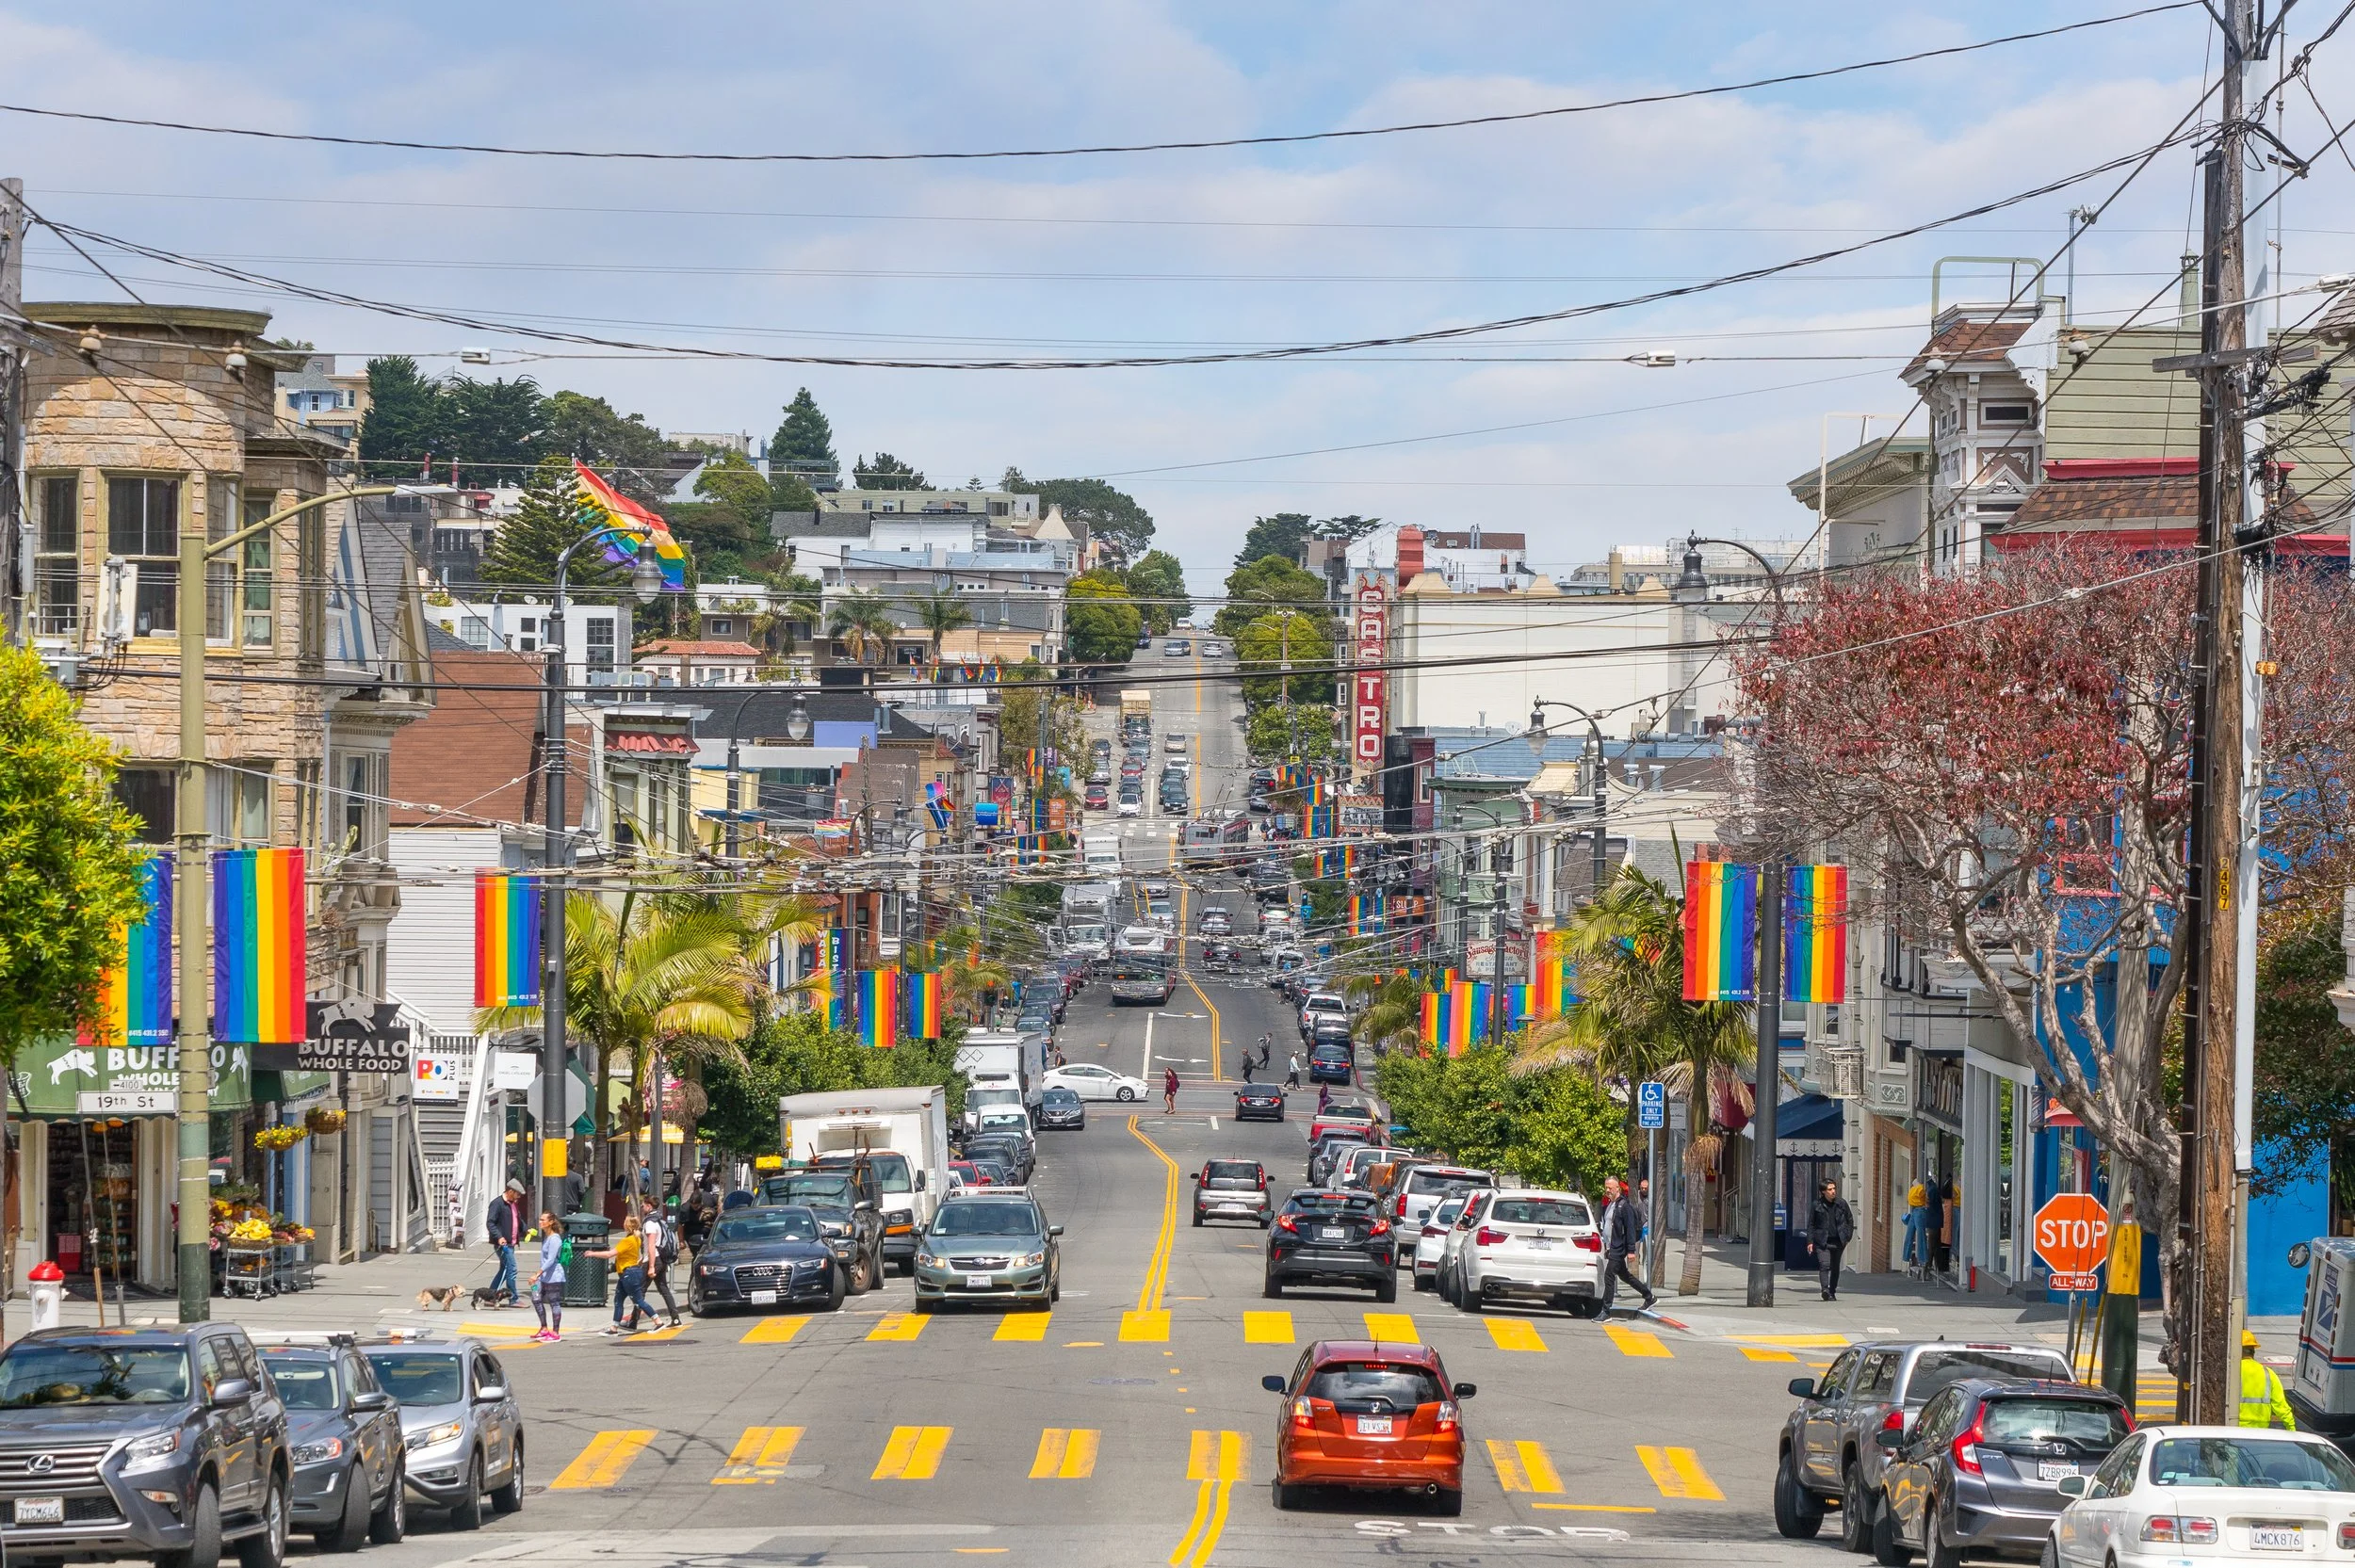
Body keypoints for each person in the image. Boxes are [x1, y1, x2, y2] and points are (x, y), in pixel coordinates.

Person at [588, 1214, 657, 1334]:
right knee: (618, 1300)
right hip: (627, 1273)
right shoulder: (636, 1238)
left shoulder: (627, 1240)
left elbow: (610, 1254)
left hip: (629, 1274)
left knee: (639, 1301)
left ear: (628, 1225)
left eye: (625, 1222)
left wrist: (592, 1254)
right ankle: (614, 1328)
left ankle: (658, 1321)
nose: (623, 1223)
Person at [1599, 1176, 1656, 1316]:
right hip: (1613, 1247)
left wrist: (1631, 1250)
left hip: (1620, 1248)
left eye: (1610, 1188)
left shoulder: (1624, 1206)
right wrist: (1607, 1247)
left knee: (1609, 1276)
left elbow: (1630, 1228)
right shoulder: (1610, 1205)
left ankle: (1606, 1311)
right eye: (1606, 1187)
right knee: (1625, 1276)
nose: (1607, 1190)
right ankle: (1649, 1297)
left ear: (1617, 1188)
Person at [1806, 1177, 1857, 1301]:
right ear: (1823, 1191)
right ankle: (1825, 1289)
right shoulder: (1817, 1205)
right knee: (1824, 1265)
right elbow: (1811, 1224)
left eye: (1834, 1188)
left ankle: (1832, 1291)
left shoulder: (1841, 1204)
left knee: (1835, 1267)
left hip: (1838, 1240)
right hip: (1822, 1241)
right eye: (1830, 1189)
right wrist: (1810, 1242)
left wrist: (1847, 1237)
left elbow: (1850, 1220)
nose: (1833, 1191)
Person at [2239, 1329, 2297, 1428]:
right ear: (2253, 1351)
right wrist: (2291, 1428)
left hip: (2234, 1428)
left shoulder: (2231, 1372)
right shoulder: (2268, 1373)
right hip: (2261, 1431)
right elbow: (2281, 1406)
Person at [640, 1198, 682, 1329]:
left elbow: (651, 1245)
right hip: (660, 1259)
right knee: (663, 1288)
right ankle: (675, 1318)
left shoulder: (650, 1223)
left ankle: (634, 1321)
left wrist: (651, 1266)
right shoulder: (659, 1220)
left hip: (654, 1260)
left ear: (649, 1206)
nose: (642, 1208)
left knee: (639, 1291)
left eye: (643, 1206)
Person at [527, 1211, 566, 1341]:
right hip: (544, 1276)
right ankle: (544, 1328)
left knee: (554, 1302)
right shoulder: (546, 1237)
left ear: (551, 1222)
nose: (540, 1222)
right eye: (540, 1219)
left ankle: (555, 1332)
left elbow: (551, 1260)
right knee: (536, 1299)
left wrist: (537, 1274)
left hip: (554, 1275)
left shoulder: (555, 1239)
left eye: (543, 1220)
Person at [485, 1177, 525, 1305]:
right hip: (503, 1243)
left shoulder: (513, 1204)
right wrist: (499, 1236)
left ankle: (490, 1296)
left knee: (504, 1269)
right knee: (511, 1269)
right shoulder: (497, 1203)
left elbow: (517, 1220)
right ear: (511, 1191)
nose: (518, 1198)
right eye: (517, 1194)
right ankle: (513, 1298)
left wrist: (526, 1229)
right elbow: (490, 1222)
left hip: (511, 1243)